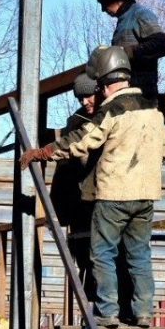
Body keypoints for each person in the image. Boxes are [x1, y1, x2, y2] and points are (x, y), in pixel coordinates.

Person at [21, 46, 165, 329]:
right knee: (139, 254)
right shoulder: (152, 108)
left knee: (102, 253)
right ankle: (143, 313)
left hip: (114, 194)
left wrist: (42, 153)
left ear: (104, 83)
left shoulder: (111, 110)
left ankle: (108, 312)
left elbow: (82, 141)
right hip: (147, 195)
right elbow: (163, 147)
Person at [48, 73, 102, 303]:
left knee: (105, 258)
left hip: (104, 198)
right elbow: (65, 166)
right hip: (80, 203)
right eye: (80, 98)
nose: (84, 102)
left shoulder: (110, 117)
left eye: (88, 96)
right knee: (85, 256)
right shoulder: (76, 122)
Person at [95, 0, 165, 99]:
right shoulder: (123, 21)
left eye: (103, 2)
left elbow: (160, 44)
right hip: (128, 96)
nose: (103, 9)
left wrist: (125, 52)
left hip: (144, 96)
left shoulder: (140, 13)